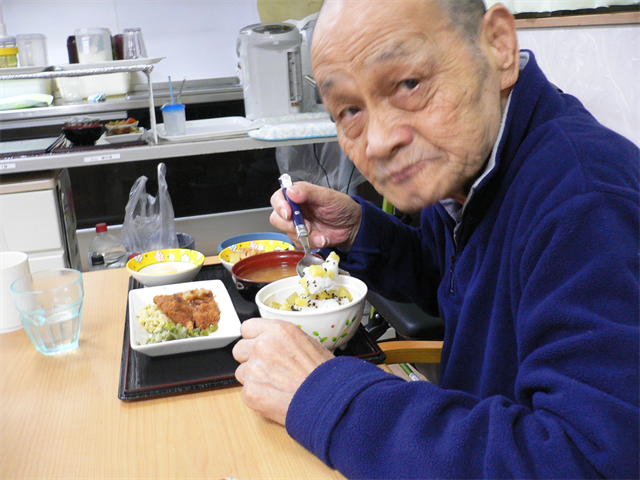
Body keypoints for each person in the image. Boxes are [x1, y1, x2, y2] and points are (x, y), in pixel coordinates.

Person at [232, 0, 640, 478]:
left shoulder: (585, 201)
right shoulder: (469, 169)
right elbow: (454, 284)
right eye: (349, 110)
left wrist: (327, 395)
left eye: (409, 84)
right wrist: (362, 230)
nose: (380, 140)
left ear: (500, 47)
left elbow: (588, 460)